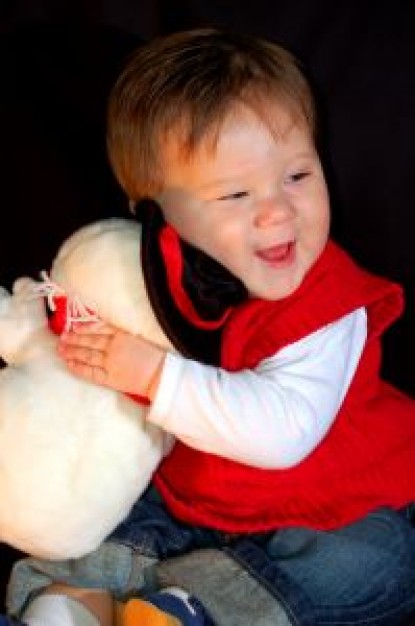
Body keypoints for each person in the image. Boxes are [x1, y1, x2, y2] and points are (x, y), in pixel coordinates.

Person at [4, 28, 415, 626]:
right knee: (113, 521)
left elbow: (284, 432)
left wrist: (153, 374)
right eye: (236, 194)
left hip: (335, 502)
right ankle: (71, 602)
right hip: (196, 497)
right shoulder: (148, 279)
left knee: (370, 564)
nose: (276, 210)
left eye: (298, 175)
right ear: (155, 216)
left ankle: (189, 609)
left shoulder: (331, 306)